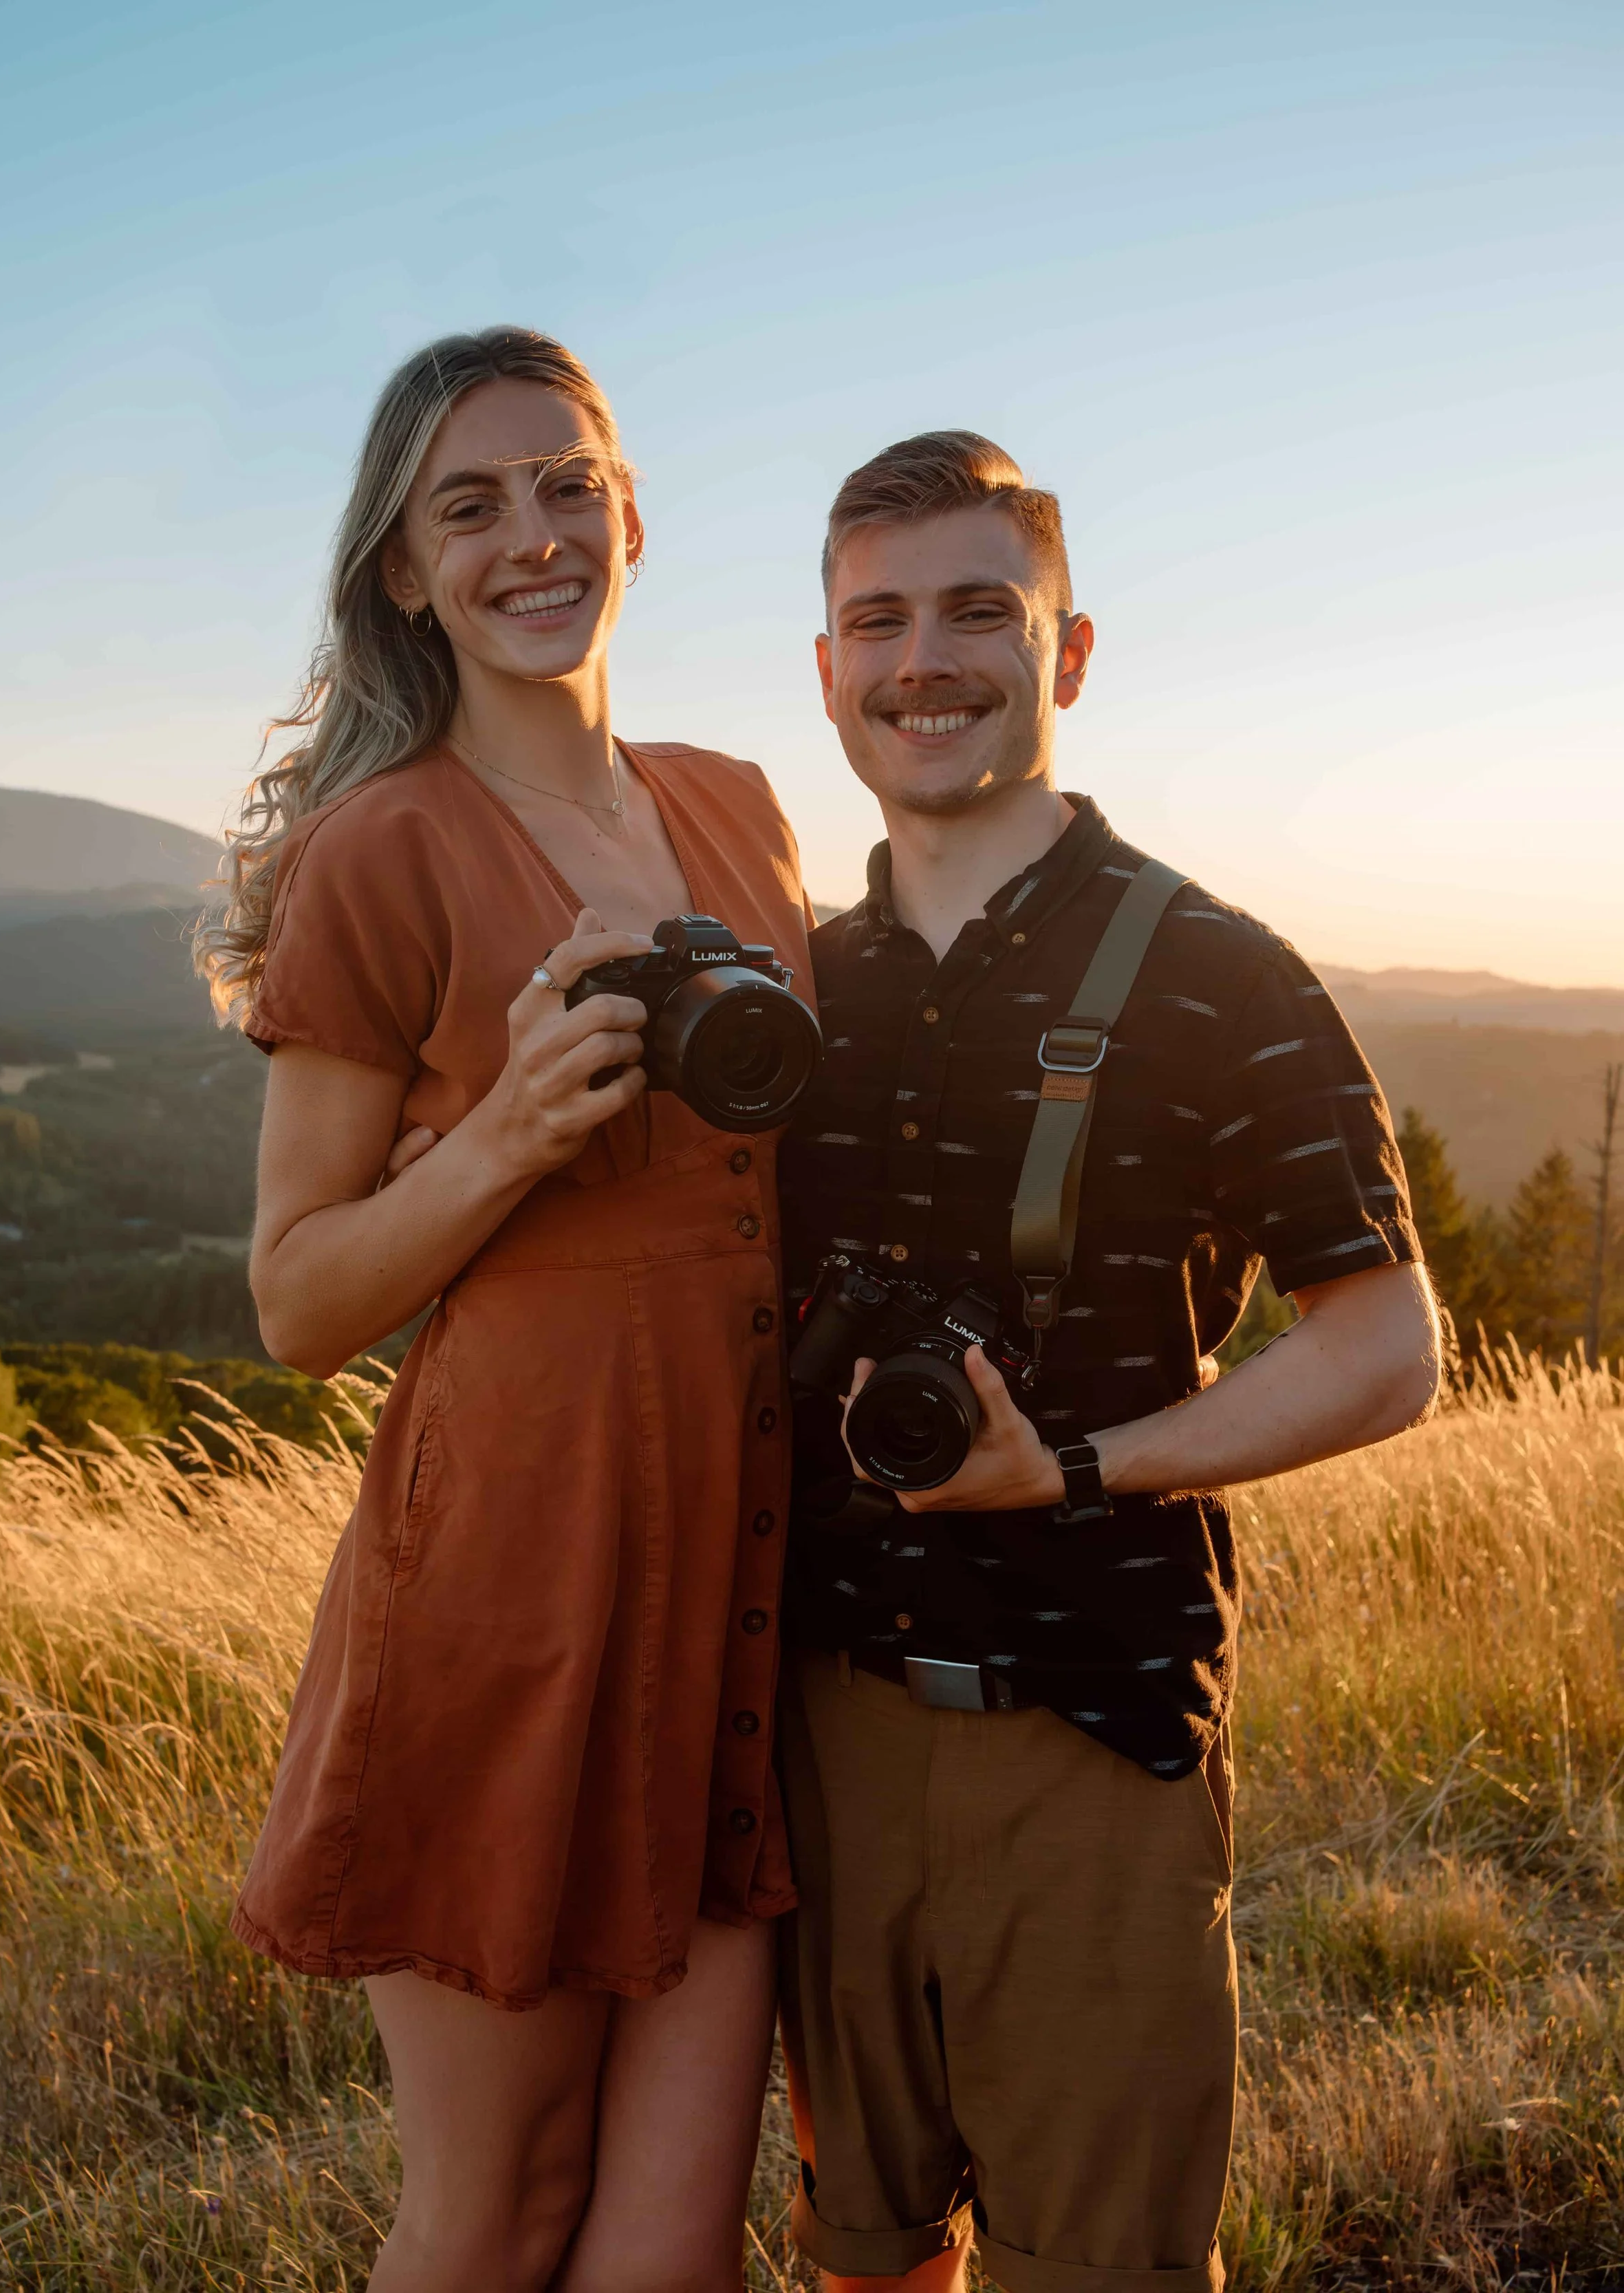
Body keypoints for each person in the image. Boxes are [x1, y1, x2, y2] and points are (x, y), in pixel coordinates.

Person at [775, 430, 1441, 2293]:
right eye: (876, 619)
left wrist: (1069, 1468)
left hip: (1080, 1723)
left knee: (1101, 2269)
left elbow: (1388, 1349)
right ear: (824, 666)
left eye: (980, 610)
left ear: (1066, 653)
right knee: (862, 2242)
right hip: (812, 1721)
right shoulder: (798, 985)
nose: (925, 661)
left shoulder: (1218, 973)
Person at [195, 327, 812, 2293]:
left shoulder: (737, 807)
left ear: (632, 513)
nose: (532, 535)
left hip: (738, 1572)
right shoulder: (377, 854)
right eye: (470, 505)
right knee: (496, 2216)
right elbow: (296, 1297)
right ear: (403, 570)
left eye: (566, 484)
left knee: (674, 2240)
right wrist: (502, 1146)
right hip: (515, 1599)